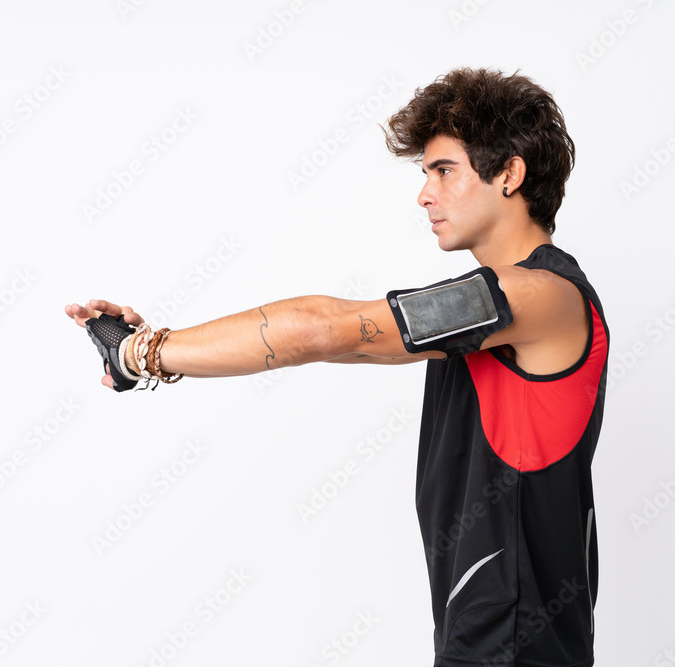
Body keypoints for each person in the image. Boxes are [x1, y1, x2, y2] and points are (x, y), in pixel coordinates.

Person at [65, 67, 609, 667]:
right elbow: (348, 343)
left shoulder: (535, 296)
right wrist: (148, 350)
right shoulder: (488, 314)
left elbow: (322, 330)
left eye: (443, 170)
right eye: (424, 173)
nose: (424, 194)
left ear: (509, 173)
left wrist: (140, 353)